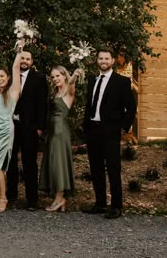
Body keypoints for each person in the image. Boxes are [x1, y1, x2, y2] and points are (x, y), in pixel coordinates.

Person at [82, 47, 136, 219]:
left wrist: (124, 127)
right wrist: (86, 126)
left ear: (112, 61)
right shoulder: (93, 80)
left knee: (113, 169)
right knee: (96, 168)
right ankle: (100, 204)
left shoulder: (121, 82)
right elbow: (89, 105)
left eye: (106, 58)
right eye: (100, 58)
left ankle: (116, 206)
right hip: (93, 130)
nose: (103, 61)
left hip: (111, 131)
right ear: (97, 61)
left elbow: (131, 107)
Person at [6, 50, 48, 210]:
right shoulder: (10, 76)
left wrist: (40, 127)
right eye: (22, 58)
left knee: (29, 162)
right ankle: (11, 196)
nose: (24, 61)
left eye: (27, 59)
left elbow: (42, 104)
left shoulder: (39, 78)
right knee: (10, 161)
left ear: (31, 61)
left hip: (30, 127)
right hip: (11, 125)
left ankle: (32, 199)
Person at [39, 66, 83, 212]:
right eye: (53, 77)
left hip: (60, 132)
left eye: (58, 75)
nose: (55, 79)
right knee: (53, 163)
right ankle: (59, 199)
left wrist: (75, 74)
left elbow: (71, 84)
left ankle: (59, 198)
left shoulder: (68, 92)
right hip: (52, 132)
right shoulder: (55, 92)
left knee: (59, 164)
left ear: (65, 76)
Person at [0, 53, 23, 213]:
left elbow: (16, 67)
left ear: (8, 77)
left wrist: (20, 49)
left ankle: (3, 198)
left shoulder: (12, 92)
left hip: (4, 131)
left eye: (2, 76)